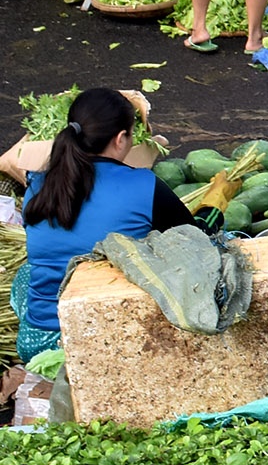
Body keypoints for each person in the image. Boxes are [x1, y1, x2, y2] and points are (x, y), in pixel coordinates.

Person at [17, 89, 196, 360]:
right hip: (106, 339)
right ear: (121, 138)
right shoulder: (144, 184)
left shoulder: (37, 185)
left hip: (38, 343)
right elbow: (192, 239)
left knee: (27, 274)